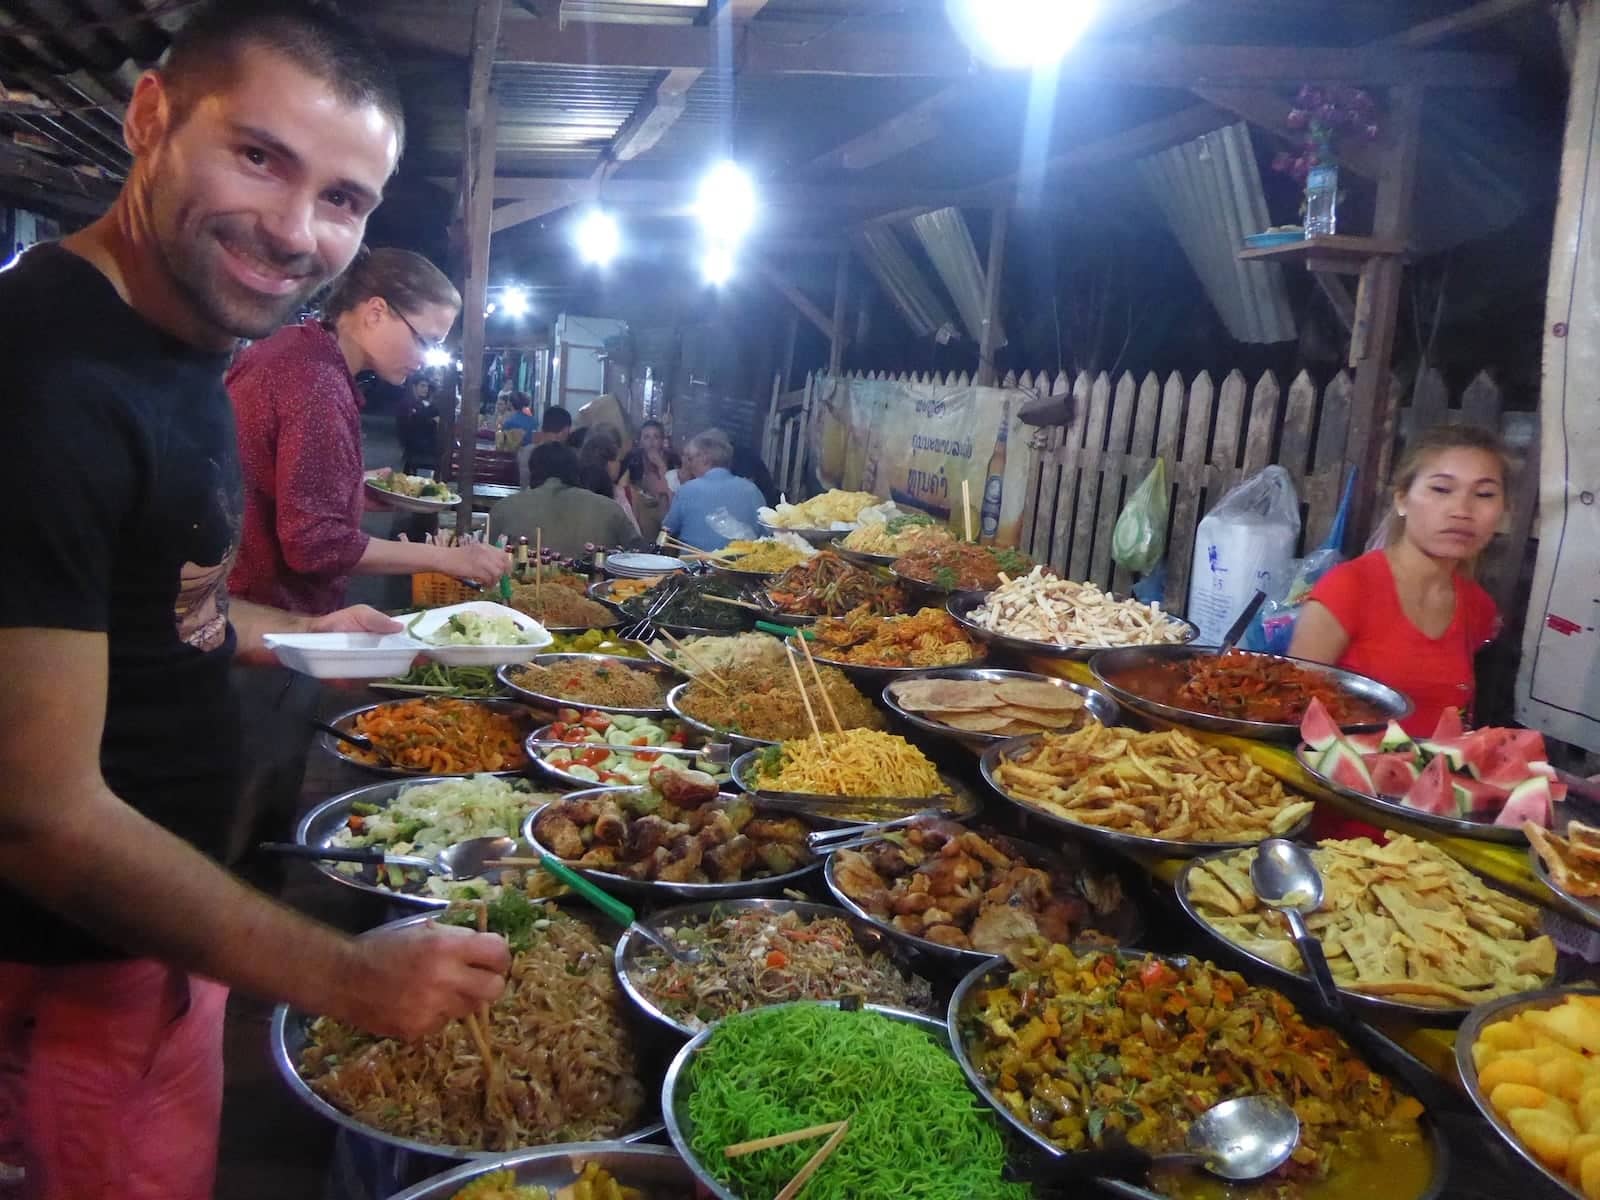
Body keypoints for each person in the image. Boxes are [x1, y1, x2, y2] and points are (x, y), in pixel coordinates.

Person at [0, 7, 509, 1198]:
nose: (294, 230)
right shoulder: (44, 382)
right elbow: (35, 812)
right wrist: (349, 977)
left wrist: (295, 636)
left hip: (153, 941)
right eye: (260, 156)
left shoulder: (176, 351)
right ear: (150, 117)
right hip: (71, 958)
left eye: (344, 199)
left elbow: (150, 608)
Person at [229, 246, 509, 616]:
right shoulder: (317, 385)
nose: (425, 359)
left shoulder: (294, 348)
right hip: (260, 611)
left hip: (234, 595)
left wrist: (348, 491)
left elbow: (269, 482)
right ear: (376, 313)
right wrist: (448, 558)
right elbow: (317, 545)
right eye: (426, 341)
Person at [1289, 423, 1509, 736]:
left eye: (1485, 494)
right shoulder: (1348, 588)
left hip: (1434, 776)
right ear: (1402, 500)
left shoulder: (1478, 607)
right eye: (1441, 489)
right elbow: (1289, 706)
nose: (1462, 510)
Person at [491, 442, 638, 558]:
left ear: (533, 472)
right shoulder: (610, 509)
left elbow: (486, 558)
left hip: (518, 593)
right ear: (575, 471)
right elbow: (639, 555)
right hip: (594, 593)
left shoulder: (504, 509)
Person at [661, 429, 767, 551]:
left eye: (691, 459)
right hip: (741, 567)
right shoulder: (753, 491)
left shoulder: (687, 490)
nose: (689, 465)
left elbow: (667, 529)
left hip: (695, 567)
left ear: (705, 458)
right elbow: (766, 535)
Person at [622, 419, 676, 544]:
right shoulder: (632, 458)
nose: (651, 442)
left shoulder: (673, 459)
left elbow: (673, 489)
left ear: (663, 441)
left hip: (666, 505)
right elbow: (624, 487)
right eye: (646, 437)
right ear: (640, 441)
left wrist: (661, 465)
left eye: (656, 437)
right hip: (640, 506)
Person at [578, 425, 640, 533]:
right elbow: (634, 535)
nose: (620, 463)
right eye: (617, 459)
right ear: (608, 463)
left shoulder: (575, 490)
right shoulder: (621, 495)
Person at [397, 372, 441, 475]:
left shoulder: (425, 405)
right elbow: (408, 427)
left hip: (421, 450)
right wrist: (430, 421)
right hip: (417, 450)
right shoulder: (407, 405)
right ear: (414, 387)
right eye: (422, 386)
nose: (425, 389)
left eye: (427, 386)